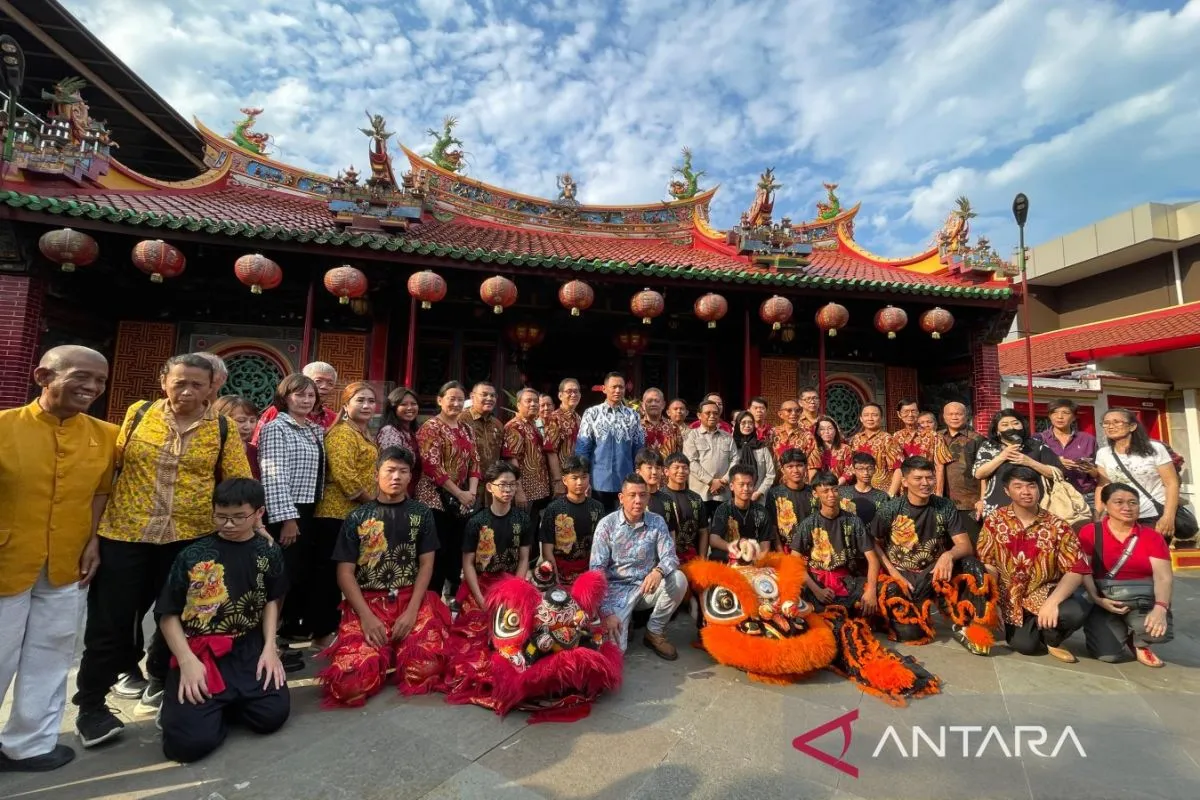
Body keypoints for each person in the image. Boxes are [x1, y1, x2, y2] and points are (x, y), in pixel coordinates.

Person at [73, 353, 252, 748]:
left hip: (190, 538)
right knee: (110, 623)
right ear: (163, 380)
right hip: (126, 533)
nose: (187, 390)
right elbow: (108, 476)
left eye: (197, 384)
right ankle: (91, 705)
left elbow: (240, 482)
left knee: (182, 619)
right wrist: (92, 537)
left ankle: (160, 680)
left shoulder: (220, 427)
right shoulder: (139, 415)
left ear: (212, 388)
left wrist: (252, 528)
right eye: (180, 382)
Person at [0, 346, 116, 772]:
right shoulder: (4, 427)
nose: (91, 387)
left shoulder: (106, 434)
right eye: (81, 376)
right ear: (43, 376)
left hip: (68, 561)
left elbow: (102, 491)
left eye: (100, 380)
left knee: (51, 655)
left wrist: (92, 541)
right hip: (7, 560)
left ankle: (29, 744)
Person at [157, 479, 289, 763]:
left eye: (239, 517)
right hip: (200, 651)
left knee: (271, 717)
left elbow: (270, 601)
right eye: (221, 516)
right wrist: (187, 660)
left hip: (247, 646)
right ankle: (187, 706)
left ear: (258, 513)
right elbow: (167, 614)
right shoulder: (192, 555)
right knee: (188, 746)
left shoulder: (268, 552)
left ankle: (222, 704)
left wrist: (269, 647)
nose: (228, 524)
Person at [319, 447, 449, 706]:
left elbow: (426, 565)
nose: (396, 477)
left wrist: (412, 612)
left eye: (403, 471)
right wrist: (366, 618)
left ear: (410, 477)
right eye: (390, 470)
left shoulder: (421, 514)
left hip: (411, 598)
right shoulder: (358, 516)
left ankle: (394, 652)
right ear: (376, 473)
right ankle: (383, 653)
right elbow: (344, 572)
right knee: (349, 686)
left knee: (424, 671)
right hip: (368, 604)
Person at [872, 457, 999, 655]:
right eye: (918, 478)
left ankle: (968, 624)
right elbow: (874, 543)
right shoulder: (890, 508)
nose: (925, 483)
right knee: (912, 633)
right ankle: (911, 613)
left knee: (971, 564)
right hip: (902, 574)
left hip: (936, 572)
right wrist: (892, 572)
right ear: (904, 482)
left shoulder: (944, 506)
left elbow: (964, 545)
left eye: (930, 478)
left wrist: (948, 555)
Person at [976, 467, 1087, 663]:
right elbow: (988, 563)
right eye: (1018, 486)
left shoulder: (1058, 526)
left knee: (1074, 612)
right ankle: (1035, 629)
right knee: (1026, 646)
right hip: (1008, 595)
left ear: (1039, 489)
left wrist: (1052, 603)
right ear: (1006, 491)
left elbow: (1075, 568)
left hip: (1043, 592)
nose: (1026, 492)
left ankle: (1053, 639)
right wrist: (992, 600)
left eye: (1031, 486)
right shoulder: (994, 521)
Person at [258, 373, 327, 656]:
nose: (306, 400)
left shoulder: (313, 429)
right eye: (300, 395)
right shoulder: (276, 428)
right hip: (288, 510)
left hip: (309, 509)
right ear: (285, 397)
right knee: (279, 577)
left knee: (295, 577)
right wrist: (288, 518)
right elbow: (273, 476)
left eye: (311, 395)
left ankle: (275, 634)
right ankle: (264, 640)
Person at [1075, 483, 1174, 666]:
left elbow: (1163, 577)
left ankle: (1140, 642)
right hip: (1104, 599)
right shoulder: (1091, 532)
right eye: (1119, 502)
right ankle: (1114, 628)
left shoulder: (1152, 537)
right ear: (1105, 505)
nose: (1127, 508)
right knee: (1108, 656)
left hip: (1141, 599)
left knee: (1160, 630)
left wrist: (1160, 608)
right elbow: (1084, 569)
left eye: (1133, 503)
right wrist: (1096, 598)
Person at [311, 382, 379, 649]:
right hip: (335, 513)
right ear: (346, 405)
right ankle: (322, 631)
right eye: (360, 400)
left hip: (357, 515)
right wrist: (375, 504)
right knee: (329, 575)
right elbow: (345, 477)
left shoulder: (364, 432)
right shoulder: (341, 434)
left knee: (352, 573)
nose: (366, 406)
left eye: (371, 401)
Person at [590, 474, 687, 659]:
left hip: (646, 587)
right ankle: (625, 622)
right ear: (621, 498)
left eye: (642, 495)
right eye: (632, 495)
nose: (638, 500)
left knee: (678, 579)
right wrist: (607, 612)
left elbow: (670, 556)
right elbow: (596, 572)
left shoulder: (656, 521)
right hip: (615, 593)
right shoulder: (607, 526)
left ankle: (654, 632)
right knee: (615, 652)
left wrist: (658, 571)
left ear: (648, 497)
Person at [417, 381, 480, 603]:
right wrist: (459, 493)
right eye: (451, 398)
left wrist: (470, 492)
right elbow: (432, 466)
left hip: (462, 500)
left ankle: (453, 597)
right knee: (437, 552)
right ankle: (430, 603)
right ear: (440, 400)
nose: (455, 403)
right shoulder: (431, 427)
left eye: (460, 399)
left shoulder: (466, 428)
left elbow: (475, 462)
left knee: (457, 550)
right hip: (435, 499)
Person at [790, 471, 879, 615]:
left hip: (847, 579)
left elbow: (872, 559)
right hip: (817, 580)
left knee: (885, 589)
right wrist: (816, 590)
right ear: (815, 494)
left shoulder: (854, 521)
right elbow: (794, 561)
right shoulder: (808, 524)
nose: (831, 495)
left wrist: (871, 590)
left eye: (834, 489)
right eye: (825, 491)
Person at [1094, 408, 1184, 545]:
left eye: (1116, 422)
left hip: (1152, 515)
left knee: (1152, 560)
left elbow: (1171, 483)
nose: (1110, 426)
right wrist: (1098, 512)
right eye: (1106, 423)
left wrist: (1168, 517)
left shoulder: (1154, 449)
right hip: (1118, 517)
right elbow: (1104, 484)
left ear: (1132, 426)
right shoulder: (1103, 453)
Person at [461, 463, 534, 613]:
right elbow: (468, 564)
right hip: (482, 584)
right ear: (489, 487)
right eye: (502, 485)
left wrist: (515, 589)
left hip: (511, 582)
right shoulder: (476, 522)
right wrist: (480, 598)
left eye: (512, 485)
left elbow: (523, 559)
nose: (508, 490)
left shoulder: (523, 520)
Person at [972, 410, 1062, 518]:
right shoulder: (989, 446)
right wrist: (1002, 456)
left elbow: (1057, 473)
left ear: (1022, 426)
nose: (1011, 427)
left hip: (1034, 507)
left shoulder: (1037, 446)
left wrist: (1029, 462)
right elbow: (979, 474)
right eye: (1005, 425)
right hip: (997, 508)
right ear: (997, 431)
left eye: (1015, 423)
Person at [576, 372, 645, 512]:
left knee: (625, 523)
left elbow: (639, 450)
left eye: (621, 387)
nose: (618, 390)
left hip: (626, 480)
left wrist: (639, 478)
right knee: (599, 522)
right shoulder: (591, 413)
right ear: (604, 389)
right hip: (598, 481)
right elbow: (583, 449)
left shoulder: (633, 415)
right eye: (613, 387)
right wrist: (583, 478)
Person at [539, 455, 605, 585]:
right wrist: (556, 580)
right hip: (560, 572)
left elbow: (602, 546)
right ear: (564, 480)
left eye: (584, 477)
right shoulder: (554, 509)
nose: (580, 482)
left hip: (589, 570)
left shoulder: (597, 508)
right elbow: (547, 550)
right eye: (574, 478)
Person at [251, 362, 339, 443]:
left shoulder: (333, 418)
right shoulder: (278, 411)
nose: (324, 386)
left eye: (330, 383)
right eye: (318, 381)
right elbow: (257, 445)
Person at [504, 387, 551, 522]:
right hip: (525, 491)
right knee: (522, 531)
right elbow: (512, 459)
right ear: (518, 405)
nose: (533, 404)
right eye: (528, 401)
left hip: (538, 490)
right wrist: (518, 491)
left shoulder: (534, 425)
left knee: (533, 530)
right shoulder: (514, 426)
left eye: (536, 401)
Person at [1038, 399, 1098, 505]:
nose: (1059, 416)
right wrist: (1056, 463)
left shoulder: (1088, 439)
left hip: (1085, 497)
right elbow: (1032, 467)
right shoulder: (1039, 439)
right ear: (1049, 416)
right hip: (1052, 497)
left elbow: (1098, 474)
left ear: (1074, 417)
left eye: (1065, 413)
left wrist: (1089, 469)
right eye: (1055, 412)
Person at [888, 399, 953, 496]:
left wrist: (939, 493)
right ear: (899, 414)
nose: (910, 415)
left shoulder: (934, 436)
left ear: (918, 413)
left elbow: (939, 467)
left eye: (913, 411)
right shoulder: (896, 437)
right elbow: (897, 467)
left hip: (927, 489)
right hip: (905, 491)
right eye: (906, 411)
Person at [685, 399, 737, 516]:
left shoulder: (727, 437)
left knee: (723, 529)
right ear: (699, 415)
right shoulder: (692, 436)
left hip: (723, 492)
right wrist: (711, 481)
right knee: (701, 529)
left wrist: (724, 480)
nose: (712, 416)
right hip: (700, 493)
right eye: (708, 413)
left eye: (715, 413)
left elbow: (735, 460)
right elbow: (691, 461)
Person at [708, 465, 772, 561]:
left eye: (749, 485)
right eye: (741, 484)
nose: (746, 489)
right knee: (716, 555)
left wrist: (757, 559)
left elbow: (765, 545)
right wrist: (733, 547)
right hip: (730, 554)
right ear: (731, 486)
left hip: (752, 556)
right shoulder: (723, 509)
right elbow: (714, 539)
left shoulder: (761, 512)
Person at [939, 401, 983, 541]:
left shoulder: (977, 439)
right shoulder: (936, 437)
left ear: (966, 416)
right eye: (950, 414)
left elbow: (984, 472)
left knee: (972, 543)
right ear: (944, 417)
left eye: (958, 414)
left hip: (969, 502)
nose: (954, 417)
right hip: (941, 502)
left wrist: (982, 499)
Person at [459, 382, 502, 508]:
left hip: (492, 487)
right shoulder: (461, 420)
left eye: (493, 396)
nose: (489, 398)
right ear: (472, 397)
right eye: (484, 395)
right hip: (466, 488)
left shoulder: (498, 424)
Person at [662, 453, 709, 563]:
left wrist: (702, 560)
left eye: (685, 468)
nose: (681, 471)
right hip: (667, 559)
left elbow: (703, 531)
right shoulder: (660, 498)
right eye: (676, 467)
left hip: (692, 557)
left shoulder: (696, 498)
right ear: (666, 471)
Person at [766, 449, 816, 551]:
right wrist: (781, 555)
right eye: (790, 467)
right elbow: (773, 528)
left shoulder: (814, 493)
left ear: (806, 467)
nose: (795, 470)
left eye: (799, 465)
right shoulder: (775, 494)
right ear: (783, 470)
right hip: (786, 549)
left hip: (813, 549)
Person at [543, 378, 582, 497]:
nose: (573, 394)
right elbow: (551, 451)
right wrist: (558, 481)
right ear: (560, 395)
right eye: (569, 391)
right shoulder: (554, 418)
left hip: (575, 477)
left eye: (576, 391)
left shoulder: (578, 417)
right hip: (561, 478)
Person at [848, 403, 894, 493]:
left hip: (881, 491)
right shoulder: (856, 439)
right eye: (866, 415)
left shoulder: (888, 439)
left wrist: (890, 494)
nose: (870, 418)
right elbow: (850, 466)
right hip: (858, 491)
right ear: (861, 418)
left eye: (874, 415)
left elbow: (897, 469)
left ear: (881, 418)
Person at [212, 395, 260, 480]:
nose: (248, 426)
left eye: (252, 421)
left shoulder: (256, 453)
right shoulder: (210, 450)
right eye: (241, 421)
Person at [731, 410, 775, 503]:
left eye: (750, 423)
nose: (747, 426)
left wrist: (759, 492)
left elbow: (770, 474)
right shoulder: (732, 446)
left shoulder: (762, 447)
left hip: (758, 498)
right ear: (737, 425)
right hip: (735, 499)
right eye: (743, 423)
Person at [838, 451, 890, 525]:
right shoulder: (843, 493)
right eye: (861, 469)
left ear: (875, 470)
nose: (865, 472)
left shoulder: (882, 496)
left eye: (869, 468)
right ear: (853, 470)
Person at [770, 398, 815, 471]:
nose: (793, 413)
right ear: (780, 414)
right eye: (789, 410)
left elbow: (811, 463)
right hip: (776, 478)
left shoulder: (808, 436)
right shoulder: (772, 433)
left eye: (797, 411)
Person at [636, 448, 675, 528]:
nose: (654, 472)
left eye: (657, 468)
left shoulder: (667, 499)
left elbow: (671, 531)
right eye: (649, 468)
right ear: (638, 472)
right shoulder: (633, 498)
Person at [808, 415, 852, 485]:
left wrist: (837, 484)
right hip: (820, 488)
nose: (826, 432)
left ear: (836, 430)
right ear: (817, 432)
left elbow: (850, 470)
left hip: (840, 486)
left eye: (830, 428)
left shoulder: (845, 448)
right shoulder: (814, 450)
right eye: (822, 429)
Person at [642, 387, 683, 460]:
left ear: (663, 405)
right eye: (649, 401)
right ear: (643, 405)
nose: (653, 404)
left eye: (657, 401)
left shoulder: (673, 427)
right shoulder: (637, 427)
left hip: (667, 469)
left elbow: (679, 455)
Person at [378, 385, 420, 456]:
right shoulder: (389, 431)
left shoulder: (413, 431)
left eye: (413, 404)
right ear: (393, 408)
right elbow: (393, 462)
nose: (409, 408)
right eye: (403, 404)